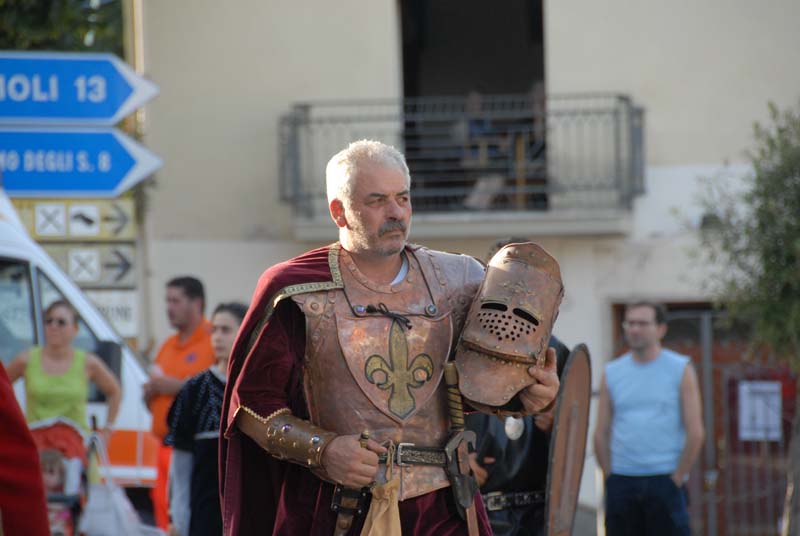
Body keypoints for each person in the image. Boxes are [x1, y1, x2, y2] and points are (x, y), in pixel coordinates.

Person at [220, 139, 560, 536]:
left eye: (403, 197)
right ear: (339, 212)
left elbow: (476, 384)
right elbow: (251, 408)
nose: (396, 212)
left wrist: (529, 395)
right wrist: (323, 449)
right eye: (377, 200)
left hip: (444, 507)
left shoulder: (458, 280)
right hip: (335, 509)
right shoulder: (297, 291)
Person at [465, 237, 570, 536]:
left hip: (536, 514)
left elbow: (567, 441)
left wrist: (554, 420)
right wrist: (454, 463)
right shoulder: (461, 344)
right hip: (474, 506)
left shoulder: (555, 354)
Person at [593, 302, 705, 536]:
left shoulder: (680, 368)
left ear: (661, 329)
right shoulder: (612, 372)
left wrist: (677, 477)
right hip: (622, 480)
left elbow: (696, 431)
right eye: (630, 323)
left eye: (642, 323)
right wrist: (610, 475)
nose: (634, 329)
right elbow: (601, 432)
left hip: (665, 480)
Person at [166, 302, 248, 536]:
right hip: (205, 511)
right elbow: (181, 462)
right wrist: (178, 514)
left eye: (226, 330)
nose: (217, 337)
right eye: (214, 330)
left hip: (249, 510)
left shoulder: (257, 387)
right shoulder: (194, 388)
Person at [143, 276, 215, 531]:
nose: (168, 307)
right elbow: (154, 401)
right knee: (164, 515)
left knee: (187, 515)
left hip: (192, 450)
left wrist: (178, 386)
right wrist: (150, 392)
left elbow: (219, 389)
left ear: (196, 303)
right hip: (163, 447)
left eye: (175, 300)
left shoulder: (213, 341)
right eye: (167, 300)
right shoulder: (167, 346)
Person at [6, 300, 122, 440]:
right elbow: (3, 388)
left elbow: (115, 392)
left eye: (61, 322)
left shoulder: (87, 362)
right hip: (37, 446)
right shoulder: (26, 360)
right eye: (49, 321)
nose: (54, 326)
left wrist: (108, 430)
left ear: (75, 329)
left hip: (74, 448)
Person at [0, 361, 50, 536]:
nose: (54, 331)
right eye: (52, 329)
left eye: (61, 329)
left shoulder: (85, 362)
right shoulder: (29, 359)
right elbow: (15, 462)